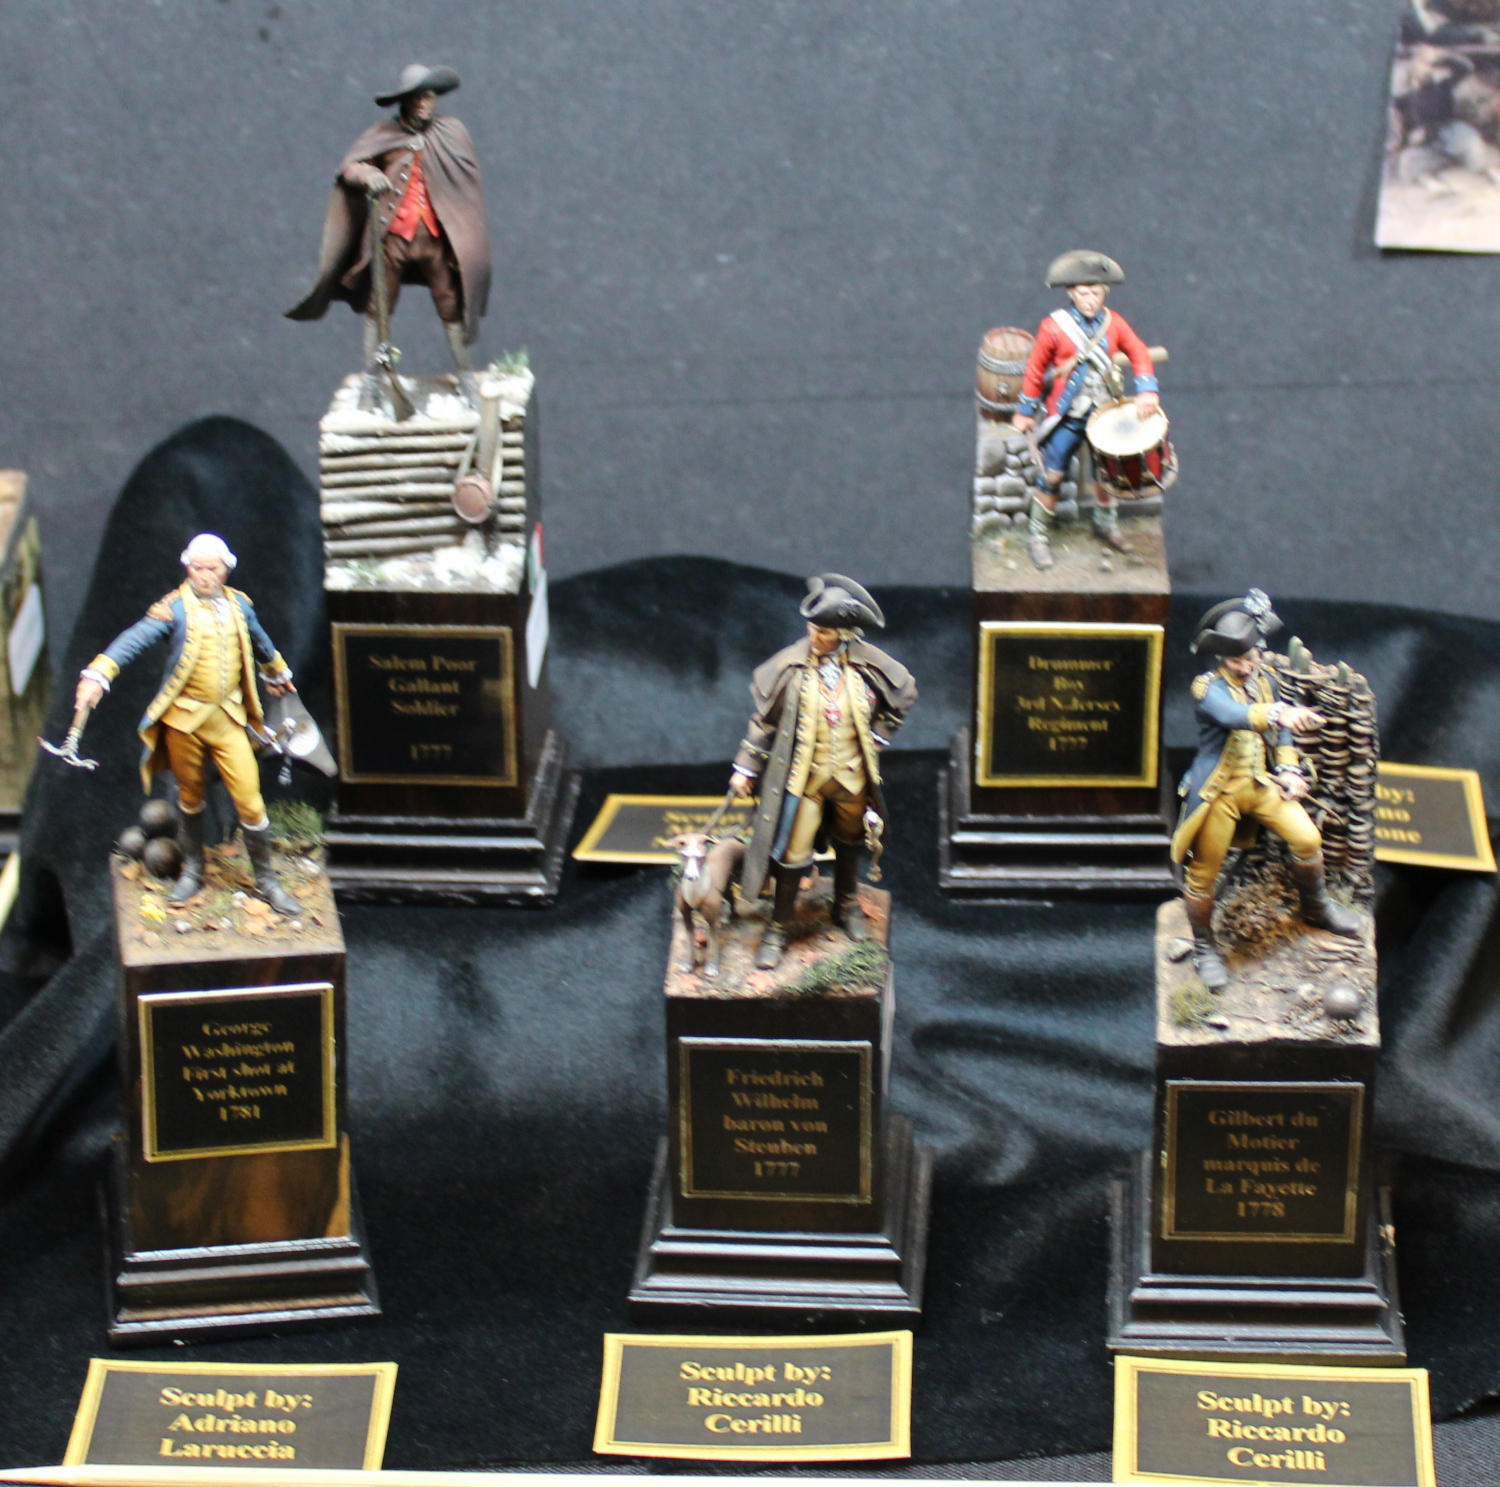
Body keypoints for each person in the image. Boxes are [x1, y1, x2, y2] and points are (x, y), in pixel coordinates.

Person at [75, 535, 299, 916]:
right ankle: (193, 869)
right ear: (188, 567)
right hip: (184, 723)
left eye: (213, 568)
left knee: (250, 801)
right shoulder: (173, 609)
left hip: (229, 719)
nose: (205, 576)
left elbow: (261, 642)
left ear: (226, 569)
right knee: (190, 797)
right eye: (198, 568)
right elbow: (134, 639)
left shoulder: (240, 605)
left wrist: (276, 672)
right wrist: (99, 674)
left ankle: (267, 880)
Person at [1169, 590, 1360, 991]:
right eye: (1234, 660)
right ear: (1222, 659)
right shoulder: (1207, 689)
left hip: (1261, 784)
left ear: (1259, 651)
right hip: (1220, 794)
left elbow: (1283, 734)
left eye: (1248, 657)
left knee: (1307, 838)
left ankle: (1317, 908)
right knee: (1203, 874)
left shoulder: (1267, 681)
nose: (1243, 666)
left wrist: (1288, 769)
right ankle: (1204, 947)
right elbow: (1236, 715)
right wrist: (1278, 713)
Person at [730, 575, 917, 969]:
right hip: (806, 780)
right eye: (813, 629)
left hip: (852, 778)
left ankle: (846, 905)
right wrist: (745, 767)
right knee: (792, 853)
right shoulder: (792, 670)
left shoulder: (866, 670)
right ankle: (778, 927)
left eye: (825, 631)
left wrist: (879, 737)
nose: (815, 637)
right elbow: (763, 723)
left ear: (844, 634)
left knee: (851, 843)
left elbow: (902, 697)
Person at [286, 63, 491, 406]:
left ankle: (466, 377)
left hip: (434, 241)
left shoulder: (451, 133)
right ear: (405, 101)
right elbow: (350, 167)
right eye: (418, 98)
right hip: (391, 241)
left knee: (450, 307)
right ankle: (371, 382)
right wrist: (368, 175)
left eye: (429, 97)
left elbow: (464, 183)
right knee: (378, 311)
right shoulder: (383, 134)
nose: (425, 104)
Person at [1012, 250, 1160, 569]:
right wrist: (1025, 410)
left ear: (1104, 293)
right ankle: (1038, 536)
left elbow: (1139, 352)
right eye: (1083, 293)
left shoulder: (1114, 323)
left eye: (1095, 293)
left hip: (1104, 415)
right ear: (1071, 293)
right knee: (1052, 475)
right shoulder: (1053, 327)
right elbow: (1035, 370)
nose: (1090, 300)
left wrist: (1147, 389)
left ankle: (1106, 525)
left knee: (1107, 476)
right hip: (1068, 417)